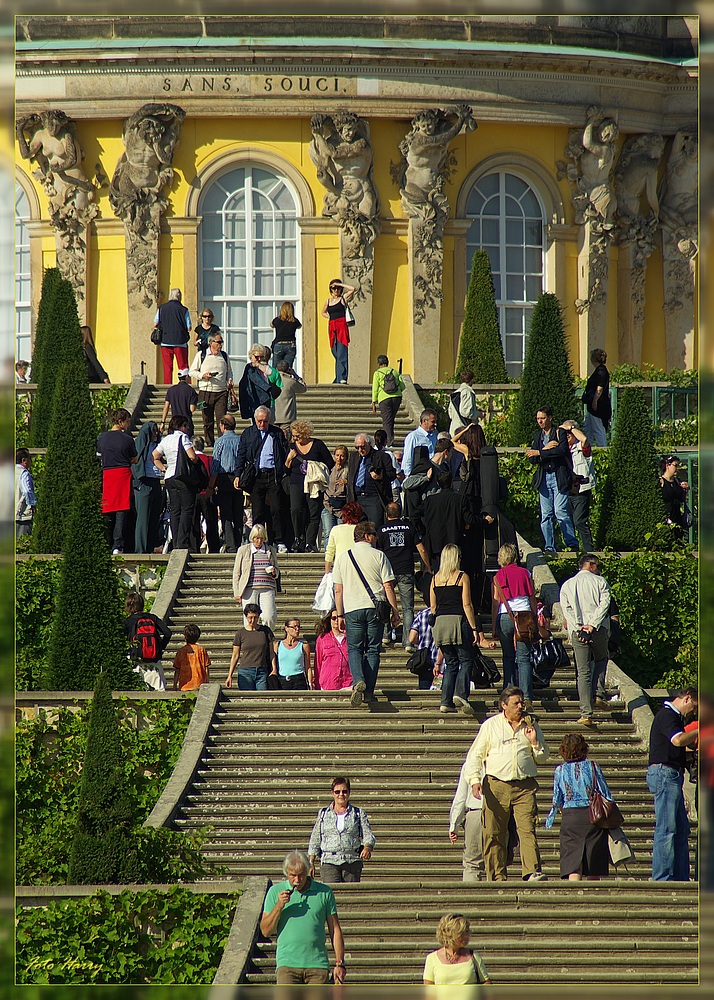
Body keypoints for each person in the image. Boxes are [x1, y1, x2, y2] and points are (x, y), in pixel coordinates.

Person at [464, 685, 550, 882]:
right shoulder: (491, 725)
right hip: (496, 785)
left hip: (524, 786)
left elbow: (544, 757)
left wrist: (534, 741)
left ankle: (532, 871)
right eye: (516, 703)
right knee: (494, 832)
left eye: (522, 703)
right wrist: (475, 781)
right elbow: (475, 755)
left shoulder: (531, 725)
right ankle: (496, 875)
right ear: (504, 705)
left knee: (527, 829)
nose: (520, 706)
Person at [333, 520, 400, 707]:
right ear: (367, 536)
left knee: (354, 648)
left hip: (352, 608)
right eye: (374, 535)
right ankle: (368, 691)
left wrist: (339, 615)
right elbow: (388, 585)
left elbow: (338, 590)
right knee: (372, 650)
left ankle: (358, 681)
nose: (377, 538)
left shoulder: (343, 557)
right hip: (375, 608)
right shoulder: (379, 556)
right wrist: (395, 611)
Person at [260, 849, 346, 985]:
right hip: (287, 965)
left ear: (307, 871)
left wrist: (339, 963)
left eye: (301, 875)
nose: (297, 880)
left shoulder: (324, 892)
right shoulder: (275, 891)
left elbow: (335, 929)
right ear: (286, 873)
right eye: (292, 875)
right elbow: (265, 931)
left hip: (317, 965)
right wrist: (279, 906)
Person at [647, 687, 698, 881]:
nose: (693, 711)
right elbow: (677, 740)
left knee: (681, 828)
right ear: (686, 699)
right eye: (694, 707)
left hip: (673, 774)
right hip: (665, 774)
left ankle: (680, 876)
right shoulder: (667, 715)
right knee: (667, 827)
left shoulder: (675, 718)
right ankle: (662, 877)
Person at [545, 733, 613, 880]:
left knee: (572, 862)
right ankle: (593, 898)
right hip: (593, 815)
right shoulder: (593, 766)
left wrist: (551, 818)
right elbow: (605, 792)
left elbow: (557, 798)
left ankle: (574, 895)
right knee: (594, 861)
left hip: (570, 816)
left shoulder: (560, 770)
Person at [559, 553, 611, 727]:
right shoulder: (600, 582)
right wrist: (593, 625)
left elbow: (567, 610)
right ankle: (598, 693)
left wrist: (579, 627)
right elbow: (605, 605)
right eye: (597, 565)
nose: (599, 568)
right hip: (598, 630)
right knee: (601, 659)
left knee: (582, 672)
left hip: (578, 631)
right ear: (590, 565)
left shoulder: (567, 585)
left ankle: (586, 712)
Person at [430, 544, 478, 717]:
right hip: (458, 620)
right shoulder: (462, 577)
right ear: (456, 558)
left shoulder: (434, 579)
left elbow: (433, 607)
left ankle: (445, 701)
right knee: (466, 660)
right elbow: (467, 604)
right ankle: (461, 694)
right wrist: (474, 628)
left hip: (441, 624)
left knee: (450, 663)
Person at [234, 406, 289, 552]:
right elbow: (241, 455)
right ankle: (257, 540)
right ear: (255, 420)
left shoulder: (276, 433)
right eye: (259, 421)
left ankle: (278, 540)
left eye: (265, 421)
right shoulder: (248, 433)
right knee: (257, 511)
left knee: (276, 509)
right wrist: (238, 474)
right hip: (257, 476)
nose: (262, 424)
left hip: (273, 475)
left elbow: (283, 453)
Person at [376, 502, 430, 650]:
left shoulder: (381, 530)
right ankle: (408, 642)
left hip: (388, 572)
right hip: (406, 570)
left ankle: (386, 635)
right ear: (400, 513)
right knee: (408, 608)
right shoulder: (409, 527)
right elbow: (421, 549)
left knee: (386, 604)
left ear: (387, 515)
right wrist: (427, 567)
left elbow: (378, 553)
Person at [526, 404, 578, 554]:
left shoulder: (559, 433)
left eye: (542, 418)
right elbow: (532, 458)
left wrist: (540, 452)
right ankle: (549, 546)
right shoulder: (538, 437)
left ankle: (572, 543)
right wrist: (545, 449)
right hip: (544, 478)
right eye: (538, 419)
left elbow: (561, 451)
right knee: (546, 515)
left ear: (550, 418)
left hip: (558, 477)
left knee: (561, 511)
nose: (540, 421)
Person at [492, 542, 537, 711]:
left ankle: (508, 695)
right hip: (524, 615)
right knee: (524, 658)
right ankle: (526, 696)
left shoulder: (497, 576)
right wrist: (533, 616)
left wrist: (494, 626)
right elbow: (531, 596)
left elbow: (496, 602)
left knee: (508, 657)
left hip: (505, 616)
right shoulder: (525, 572)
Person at [308, 776, 375, 883]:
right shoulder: (323, 813)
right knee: (331, 896)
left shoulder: (358, 813)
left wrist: (367, 847)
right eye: (337, 791)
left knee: (351, 896)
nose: (341, 794)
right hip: (329, 861)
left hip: (351, 862)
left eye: (344, 791)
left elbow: (368, 834)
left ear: (349, 792)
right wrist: (311, 862)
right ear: (332, 793)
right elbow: (315, 837)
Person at [152, 414, 201, 551]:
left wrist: (163, 468)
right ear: (181, 426)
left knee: (175, 509)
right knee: (187, 508)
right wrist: (196, 461)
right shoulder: (183, 437)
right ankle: (182, 541)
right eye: (186, 426)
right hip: (182, 477)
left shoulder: (166, 439)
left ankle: (175, 541)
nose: (187, 428)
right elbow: (192, 456)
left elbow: (154, 456)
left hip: (169, 477)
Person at [285, 419, 334, 553]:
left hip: (314, 484)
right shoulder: (291, 446)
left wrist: (316, 468)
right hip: (296, 482)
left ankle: (310, 542)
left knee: (314, 513)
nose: (295, 438)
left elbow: (330, 463)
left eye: (297, 436)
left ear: (305, 433)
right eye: (293, 436)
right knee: (295, 510)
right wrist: (289, 458)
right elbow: (286, 469)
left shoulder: (318, 445)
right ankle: (298, 538)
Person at [97, 407, 138, 554]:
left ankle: (105, 541)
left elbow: (99, 456)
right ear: (121, 422)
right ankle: (118, 545)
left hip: (107, 474)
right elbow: (134, 458)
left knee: (107, 509)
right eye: (127, 421)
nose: (128, 424)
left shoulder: (102, 437)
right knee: (122, 509)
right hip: (122, 474)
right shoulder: (127, 439)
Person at [205, 412, 244, 553]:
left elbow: (215, 466)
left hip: (224, 479)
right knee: (238, 513)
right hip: (238, 478)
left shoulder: (220, 441)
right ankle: (238, 542)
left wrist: (211, 485)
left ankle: (230, 544)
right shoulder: (240, 440)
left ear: (222, 426)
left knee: (227, 514)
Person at [188, 332, 233, 447]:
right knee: (207, 420)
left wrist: (230, 380)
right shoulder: (201, 355)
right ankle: (209, 443)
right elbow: (192, 371)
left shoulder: (224, 356)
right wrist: (203, 376)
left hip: (221, 392)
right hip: (205, 391)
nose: (220, 344)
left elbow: (229, 371)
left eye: (221, 342)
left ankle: (221, 442)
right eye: (218, 342)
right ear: (211, 343)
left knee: (221, 419)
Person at [232, 524, 280, 631]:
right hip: (249, 588)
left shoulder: (271, 550)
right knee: (250, 617)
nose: (258, 541)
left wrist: (273, 572)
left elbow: (277, 570)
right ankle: (251, 640)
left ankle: (267, 637)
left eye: (261, 538)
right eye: (256, 538)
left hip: (267, 587)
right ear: (252, 538)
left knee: (269, 616)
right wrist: (237, 592)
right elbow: (236, 572)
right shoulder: (243, 550)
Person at [423, 913, 491, 986]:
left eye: (467, 932)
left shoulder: (474, 956)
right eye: (462, 933)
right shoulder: (432, 959)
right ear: (450, 934)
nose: (466, 936)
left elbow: (487, 985)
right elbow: (428, 992)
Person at [345, 432, 395, 531]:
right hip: (357, 498)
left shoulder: (381, 456)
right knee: (358, 529)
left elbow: (392, 474)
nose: (360, 450)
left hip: (374, 498)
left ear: (369, 444)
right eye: (357, 447)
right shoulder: (353, 457)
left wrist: (381, 477)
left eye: (362, 447)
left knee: (374, 528)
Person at [123, 592, 171, 690]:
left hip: (136, 660)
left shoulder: (128, 621)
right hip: (154, 660)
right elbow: (167, 633)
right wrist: (159, 647)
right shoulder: (152, 618)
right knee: (159, 690)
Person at [225, 601, 276, 690]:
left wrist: (274, 669)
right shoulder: (240, 633)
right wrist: (230, 675)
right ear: (246, 617)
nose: (252, 620)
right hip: (245, 671)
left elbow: (272, 652)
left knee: (262, 699)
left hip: (262, 670)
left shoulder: (265, 631)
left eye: (255, 617)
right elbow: (235, 655)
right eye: (250, 618)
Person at [562, 420, 596, 551]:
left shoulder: (582, 447)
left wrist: (570, 428)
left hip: (581, 490)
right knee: (567, 520)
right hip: (567, 490)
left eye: (569, 432)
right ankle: (572, 548)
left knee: (579, 521)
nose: (567, 435)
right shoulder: (564, 449)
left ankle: (589, 550)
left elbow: (585, 438)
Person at [449, 760, 485, 883]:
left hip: (475, 812)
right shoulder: (502, 761)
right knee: (496, 863)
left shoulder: (470, 764)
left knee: (472, 864)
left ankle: (473, 898)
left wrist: (454, 825)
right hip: (499, 814)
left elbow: (460, 798)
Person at [132, 421, 163, 554]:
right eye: (154, 430)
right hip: (144, 483)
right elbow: (136, 463)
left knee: (154, 517)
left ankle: (150, 546)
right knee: (143, 518)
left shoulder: (157, 446)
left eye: (157, 430)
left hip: (155, 482)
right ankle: (140, 549)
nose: (156, 433)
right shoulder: (140, 445)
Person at [321, 278, 355, 384]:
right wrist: (329, 317)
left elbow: (353, 289)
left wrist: (341, 284)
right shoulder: (328, 301)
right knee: (334, 351)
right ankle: (338, 377)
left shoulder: (343, 299)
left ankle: (342, 377)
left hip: (341, 326)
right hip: (332, 326)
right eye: (334, 288)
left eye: (338, 288)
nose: (336, 290)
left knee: (342, 352)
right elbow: (323, 312)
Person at [154, 288, 191, 384]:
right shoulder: (184, 309)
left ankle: (167, 387)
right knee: (183, 366)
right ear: (179, 297)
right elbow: (189, 327)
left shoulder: (161, 308)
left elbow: (155, 323)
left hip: (165, 341)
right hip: (180, 341)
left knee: (167, 367)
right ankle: (185, 385)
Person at [238, 343, 283, 421]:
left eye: (261, 357)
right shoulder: (249, 368)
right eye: (256, 357)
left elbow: (269, 372)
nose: (259, 359)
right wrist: (267, 388)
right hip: (255, 399)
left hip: (266, 399)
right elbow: (254, 380)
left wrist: (258, 365)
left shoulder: (263, 367)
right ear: (251, 356)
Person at [191, 435, 220, 553]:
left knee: (194, 522)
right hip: (208, 493)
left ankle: (194, 548)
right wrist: (211, 487)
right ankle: (213, 548)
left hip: (194, 494)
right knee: (211, 522)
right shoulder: (210, 459)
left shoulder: (190, 459)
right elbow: (215, 475)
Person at [314, 609, 352, 691]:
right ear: (329, 620)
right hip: (329, 681)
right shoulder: (322, 638)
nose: (336, 620)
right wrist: (317, 684)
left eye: (339, 617)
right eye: (334, 618)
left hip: (348, 682)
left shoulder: (350, 638)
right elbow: (318, 663)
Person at [371, 355, 404, 447]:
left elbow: (375, 388)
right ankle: (390, 438)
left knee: (386, 420)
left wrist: (374, 401)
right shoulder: (395, 372)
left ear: (379, 363)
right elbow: (403, 386)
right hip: (397, 397)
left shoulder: (377, 373)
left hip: (384, 398)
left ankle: (388, 441)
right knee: (391, 418)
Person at [321, 445, 350, 551]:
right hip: (328, 504)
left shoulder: (348, 471)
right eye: (337, 455)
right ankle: (328, 557)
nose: (339, 458)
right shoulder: (330, 468)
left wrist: (347, 482)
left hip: (341, 506)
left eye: (342, 456)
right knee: (328, 532)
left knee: (340, 534)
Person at [324, 501, 365, 573]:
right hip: (358, 567)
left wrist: (327, 572)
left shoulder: (335, 529)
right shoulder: (362, 530)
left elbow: (330, 553)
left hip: (339, 568)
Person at [582, 348, 611, 447]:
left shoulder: (601, 371)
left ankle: (603, 450)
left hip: (598, 406)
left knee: (598, 429)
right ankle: (587, 449)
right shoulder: (600, 370)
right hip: (593, 407)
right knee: (587, 428)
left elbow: (599, 388)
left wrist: (595, 401)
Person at [273, 617, 313, 690]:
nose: (297, 629)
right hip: (282, 680)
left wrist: (310, 683)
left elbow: (308, 667)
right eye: (294, 627)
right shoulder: (278, 645)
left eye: (298, 627)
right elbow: (274, 664)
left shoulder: (304, 646)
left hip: (299, 680)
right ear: (286, 628)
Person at [160, 367, 198, 438]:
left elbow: (166, 407)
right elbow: (192, 409)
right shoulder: (191, 391)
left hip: (174, 422)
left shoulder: (171, 390)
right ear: (187, 377)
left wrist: (163, 422)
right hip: (186, 423)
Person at [172, 623, 211, 691]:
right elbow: (206, 668)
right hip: (199, 684)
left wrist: (175, 684)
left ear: (185, 637)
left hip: (184, 685)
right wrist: (207, 682)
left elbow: (177, 669)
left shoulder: (181, 651)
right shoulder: (201, 650)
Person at [659, 454, 690, 538]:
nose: (678, 468)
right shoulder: (661, 482)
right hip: (666, 520)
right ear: (667, 466)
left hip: (677, 519)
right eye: (675, 465)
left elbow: (681, 500)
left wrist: (685, 490)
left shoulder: (677, 482)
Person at [401, 408, 438, 477]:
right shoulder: (413, 437)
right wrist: (408, 476)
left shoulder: (434, 436)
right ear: (425, 421)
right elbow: (408, 458)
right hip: (419, 475)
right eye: (433, 422)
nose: (435, 424)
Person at [273, 360, 307, 432]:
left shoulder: (272, 381)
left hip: (273, 417)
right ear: (288, 369)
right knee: (286, 440)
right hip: (287, 418)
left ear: (276, 369)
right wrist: (296, 375)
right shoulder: (290, 382)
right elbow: (303, 388)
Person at [448, 371, 483, 437]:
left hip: (454, 427)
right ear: (471, 379)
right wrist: (478, 414)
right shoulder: (467, 392)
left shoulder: (456, 392)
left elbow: (450, 412)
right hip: (463, 429)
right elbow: (466, 412)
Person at [270, 301, 302, 369]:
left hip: (279, 344)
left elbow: (271, 325)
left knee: (276, 368)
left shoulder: (277, 320)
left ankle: (275, 380)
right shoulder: (294, 321)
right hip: (290, 345)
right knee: (287, 368)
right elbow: (299, 326)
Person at [15, 448, 36, 537]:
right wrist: (32, 504)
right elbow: (27, 491)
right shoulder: (23, 473)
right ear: (24, 460)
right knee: (21, 543)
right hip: (21, 515)